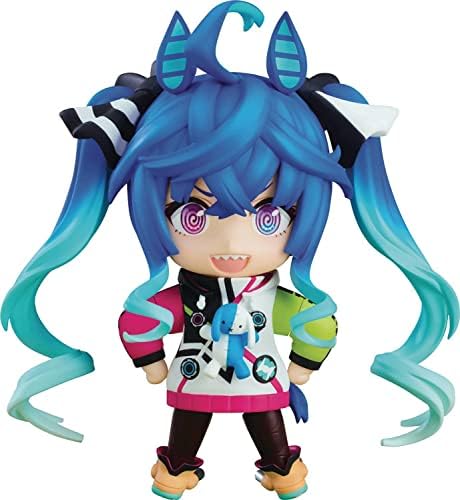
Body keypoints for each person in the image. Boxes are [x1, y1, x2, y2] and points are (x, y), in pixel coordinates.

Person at [2, 2, 458, 499]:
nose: (233, 244)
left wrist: (303, 364)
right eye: (192, 215)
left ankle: (281, 468)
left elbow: (315, 324)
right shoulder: (190, 297)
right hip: (195, 378)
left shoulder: (268, 298)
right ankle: (178, 470)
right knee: (187, 428)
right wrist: (151, 360)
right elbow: (139, 321)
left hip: (261, 380)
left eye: (269, 216)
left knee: (269, 426)